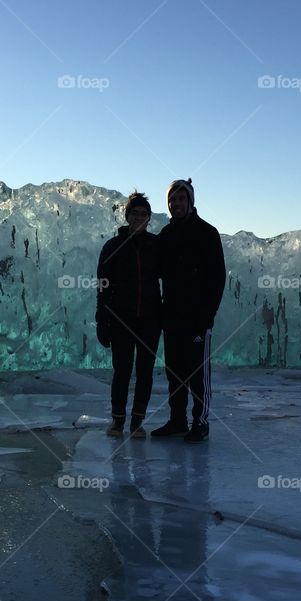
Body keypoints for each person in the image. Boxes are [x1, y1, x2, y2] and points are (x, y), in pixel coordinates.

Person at [151, 178, 226, 442]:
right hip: (172, 316)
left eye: (181, 199)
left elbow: (218, 278)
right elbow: (156, 270)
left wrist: (207, 315)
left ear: (190, 202)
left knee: (197, 374)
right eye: (172, 200)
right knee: (175, 372)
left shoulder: (207, 233)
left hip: (197, 318)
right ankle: (177, 420)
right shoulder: (166, 235)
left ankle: (201, 422)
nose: (176, 204)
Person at [96, 192, 162, 438]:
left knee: (145, 371)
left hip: (150, 320)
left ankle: (137, 422)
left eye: (144, 214)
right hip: (121, 319)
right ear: (127, 216)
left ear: (149, 218)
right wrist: (102, 321)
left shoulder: (155, 246)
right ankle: (117, 421)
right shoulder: (113, 246)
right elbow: (102, 286)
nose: (139, 218)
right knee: (121, 371)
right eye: (134, 213)